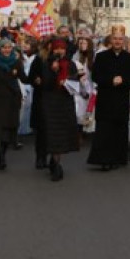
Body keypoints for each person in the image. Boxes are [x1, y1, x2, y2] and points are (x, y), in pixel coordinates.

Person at [87, 25, 130, 170]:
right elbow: (95, 76)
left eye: (120, 39)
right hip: (105, 98)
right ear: (111, 39)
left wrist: (123, 80)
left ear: (124, 40)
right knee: (104, 130)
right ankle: (103, 160)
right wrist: (111, 80)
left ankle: (117, 158)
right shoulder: (102, 56)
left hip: (121, 99)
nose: (117, 41)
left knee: (119, 130)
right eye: (115, 38)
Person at [32, 37, 79, 181]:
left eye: (62, 48)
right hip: (50, 102)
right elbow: (45, 84)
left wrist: (71, 80)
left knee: (62, 135)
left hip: (64, 102)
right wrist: (54, 72)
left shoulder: (70, 64)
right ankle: (56, 165)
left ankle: (56, 161)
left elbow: (75, 81)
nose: (59, 51)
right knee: (52, 133)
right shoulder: (47, 62)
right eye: (57, 48)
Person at [0, 38, 25, 171]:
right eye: (4, 47)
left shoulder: (17, 62)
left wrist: (37, 79)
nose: (7, 50)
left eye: (9, 47)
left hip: (13, 99)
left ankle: (3, 153)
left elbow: (23, 78)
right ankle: (0, 154)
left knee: (9, 128)